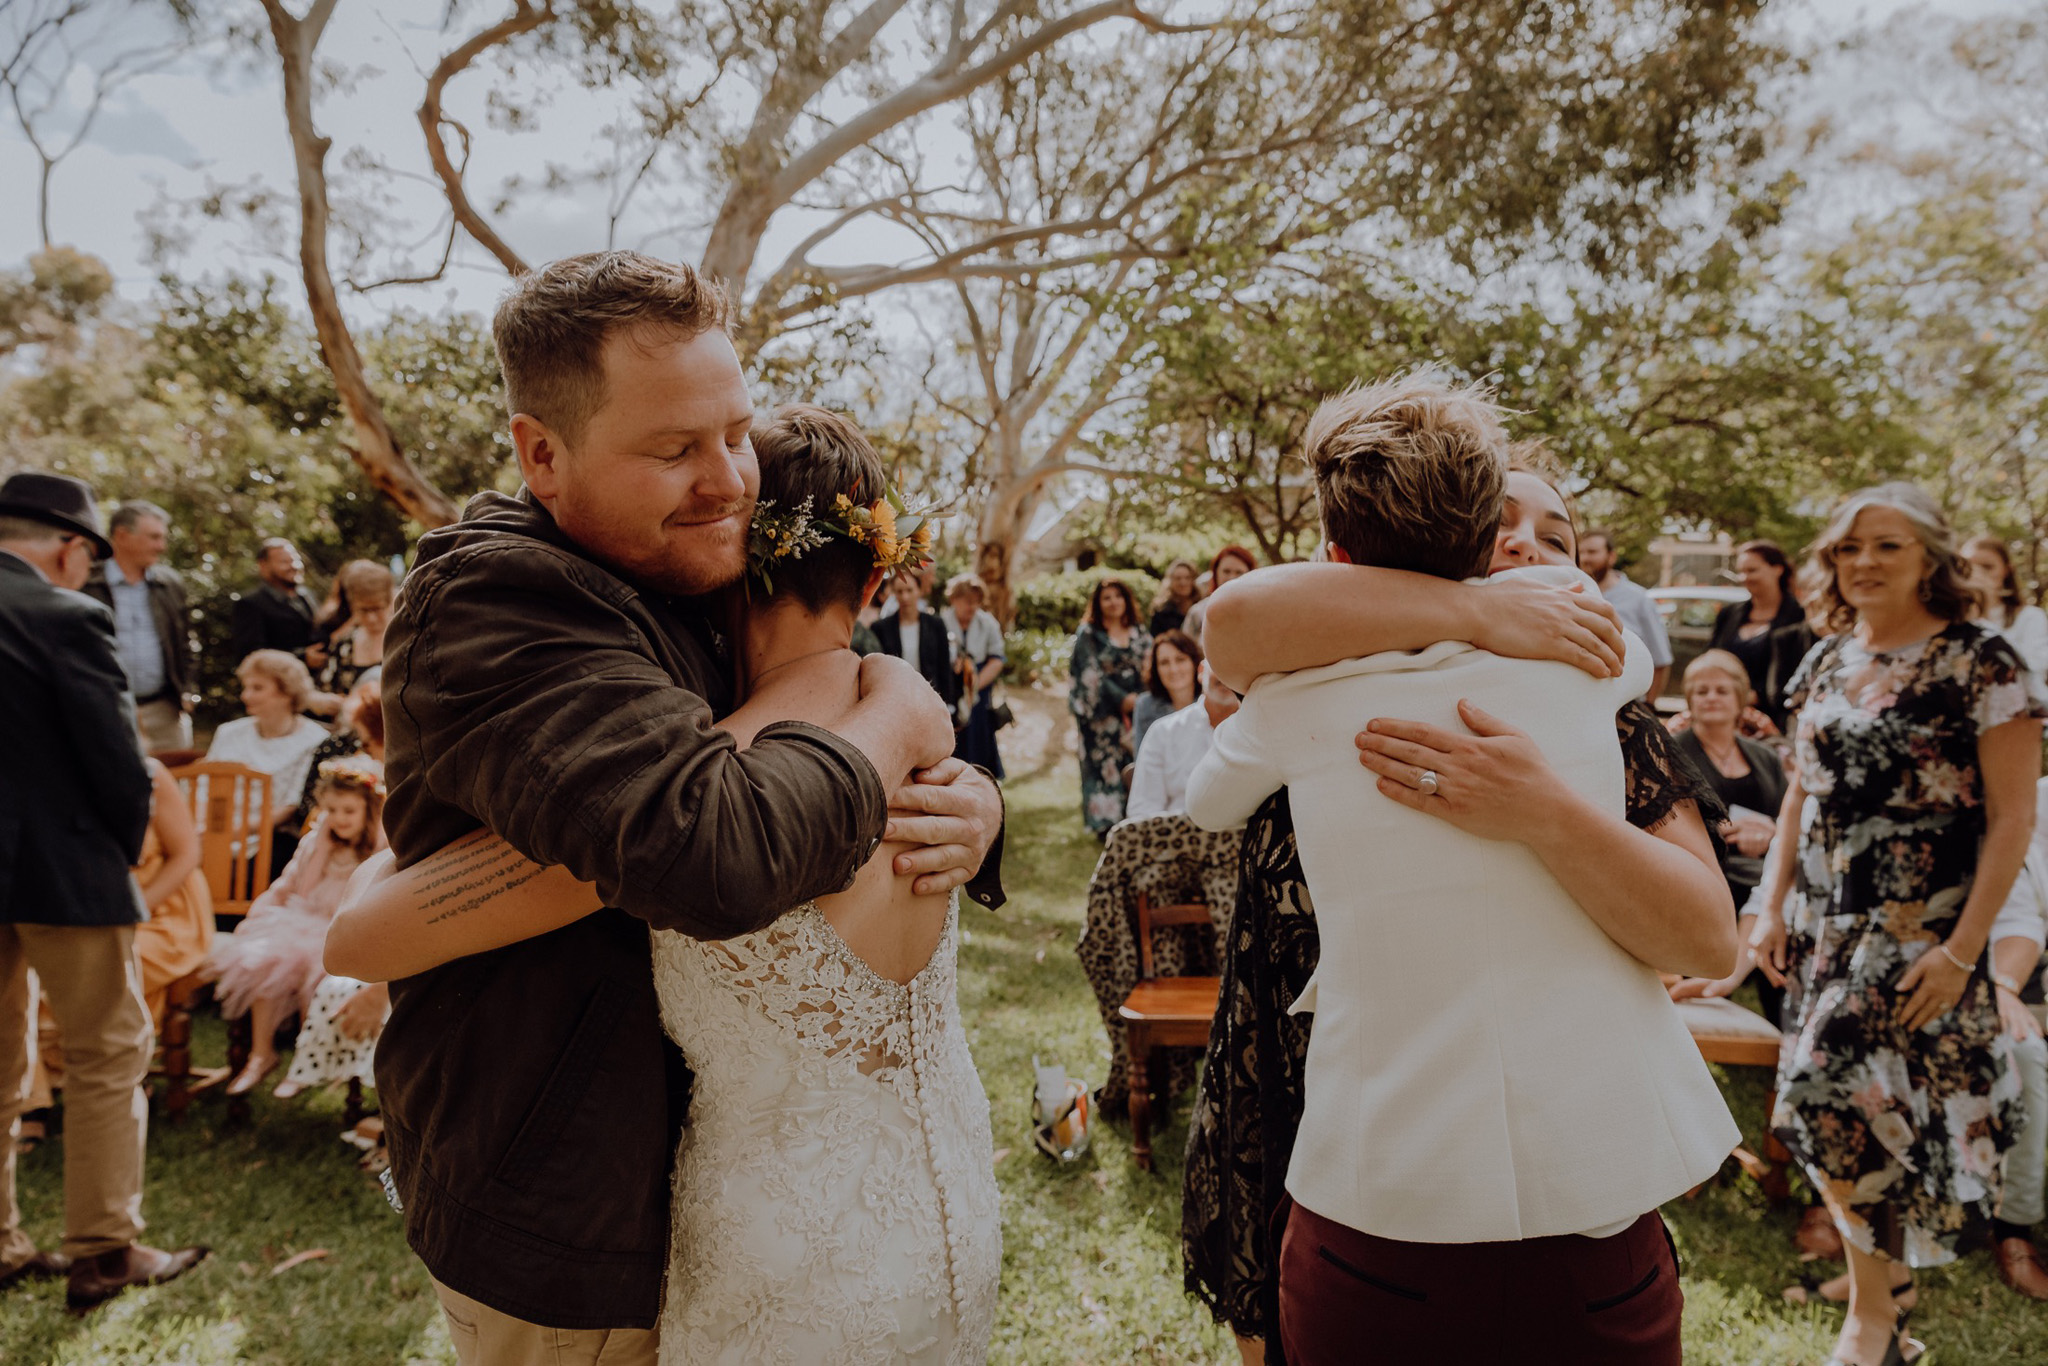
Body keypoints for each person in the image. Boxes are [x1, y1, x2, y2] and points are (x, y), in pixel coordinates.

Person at [358, 253, 1002, 1362]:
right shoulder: (502, 597)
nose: (726, 481)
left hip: (738, 1209)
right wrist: (899, 709)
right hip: (564, 1215)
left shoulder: (675, 573)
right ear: (540, 452)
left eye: (735, 435)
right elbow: (712, 848)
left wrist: (973, 799)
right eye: (673, 449)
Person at [1184, 378, 1735, 1366]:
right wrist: (1477, 617)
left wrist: (1540, 809)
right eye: (1502, 525)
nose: (1525, 551)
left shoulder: (1305, 692)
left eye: (1552, 536)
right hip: (1516, 1201)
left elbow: (1703, 937)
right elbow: (1235, 621)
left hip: (1405, 1187)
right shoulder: (1578, 654)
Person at [1750, 481, 2045, 1366]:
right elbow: (1800, 794)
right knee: (1851, 1111)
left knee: (1829, 1095)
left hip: (1925, 933)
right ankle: (1884, 1295)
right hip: (1826, 922)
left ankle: (1870, 1319)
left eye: (1886, 545)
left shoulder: (1982, 663)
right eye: (1848, 547)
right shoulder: (1825, 662)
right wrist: (1767, 904)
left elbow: (2012, 823)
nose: (1864, 562)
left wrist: (1963, 953)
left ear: (1929, 558)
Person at [0, 470, 207, 1310]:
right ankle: (105, 1253)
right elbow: (119, 764)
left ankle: (3, 1242)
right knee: (108, 1054)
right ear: (71, 547)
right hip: (67, 869)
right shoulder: (66, 614)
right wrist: (120, 852)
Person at [26, 755, 215, 1128]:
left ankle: (110, 1075)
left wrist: (135, 909)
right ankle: (35, 1102)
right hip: (91, 913)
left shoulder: (150, 775)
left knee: (97, 971)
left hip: (163, 911)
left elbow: (187, 855)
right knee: (33, 976)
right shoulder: (49, 776)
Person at [209, 761, 385, 1097]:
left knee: (314, 970)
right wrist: (257, 918)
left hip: (347, 928)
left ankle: (305, 1062)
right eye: (331, 809)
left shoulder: (378, 848)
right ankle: (262, 1053)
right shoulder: (315, 844)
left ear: (368, 808)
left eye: (349, 810)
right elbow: (285, 885)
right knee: (265, 961)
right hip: (304, 919)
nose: (340, 818)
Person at [1665, 649, 1790, 1021]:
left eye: (1721, 690)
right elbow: (1659, 816)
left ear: (1740, 699)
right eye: (1701, 691)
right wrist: (1720, 831)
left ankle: (1779, 1021)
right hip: (1705, 867)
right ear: (1690, 700)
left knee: (1782, 901)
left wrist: (1770, 834)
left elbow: (1788, 817)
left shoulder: (1764, 757)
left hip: (1764, 869)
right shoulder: (1672, 752)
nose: (1711, 698)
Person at [1982, 777, 2048, 1300]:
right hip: (2021, 986)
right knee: (2025, 1048)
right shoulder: (2030, 802)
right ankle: (2014, 1227)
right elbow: (2016, 916)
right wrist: (2006, 989)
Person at [81, 500, 197, 754]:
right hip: (104, 711)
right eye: (154, 537)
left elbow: (185, 642)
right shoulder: (85, 581)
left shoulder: (170, 583)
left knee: (175, 785)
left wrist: (187, 688)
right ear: (122, 535)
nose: (161, 546)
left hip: (164, 712)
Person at [205, 650, 329, 874]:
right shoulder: (228, 733)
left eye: (257, 688)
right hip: (213, 830)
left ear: (287, 693)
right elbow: (204, 788)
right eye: (246, 687)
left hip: (269, 838)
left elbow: (290, 806)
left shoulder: (314, 740)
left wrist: (233, 832)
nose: (245, 696)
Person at [1068, 576, 1151, 836]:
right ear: (1098, 603)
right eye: (1107, 597)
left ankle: (1133, 818)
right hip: (1100, 715)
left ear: (1126, 600)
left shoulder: (1139, 632)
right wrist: (1121, 699)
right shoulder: (1090, 634)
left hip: (1138, 710)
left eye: (1118, 596)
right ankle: (1105, 823)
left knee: (1134, 761)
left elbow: (1151, 665)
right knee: (1103, 766)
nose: (1113, 602)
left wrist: (1141, 699)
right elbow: (1090, 673)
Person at [1708, 540, 1812, 729]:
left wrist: (1754, 696)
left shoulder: (1801, 617)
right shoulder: (1728, 615)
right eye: (1741, 571)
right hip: (1722, 718)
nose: (1743, 577)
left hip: (1774, 722)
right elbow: (1710, 661)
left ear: (1777, 569)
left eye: (1752, 570)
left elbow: (1801, 673)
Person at [1128, 661, 1237, 821]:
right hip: (1176, 841)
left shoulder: (1263, 730)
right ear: (1201, 671)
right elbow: (1143, 812)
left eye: (1237, 665)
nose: (1227, 673)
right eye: (1219, 662)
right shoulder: (1163, 732)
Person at [1578, 526, 1673, 700]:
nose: (1584, 558)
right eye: (1580, 552)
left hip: (1627, 708)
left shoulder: (1639, 599)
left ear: (1611, 557)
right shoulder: (1572, 594)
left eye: (1592, 552)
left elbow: (1660, 660)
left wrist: (1649, 707)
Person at [945, 572, 1007, 777]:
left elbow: (997, 659)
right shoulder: (942, 621)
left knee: (980, 737)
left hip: (979, 689)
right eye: (967, 602)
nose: (972, 607)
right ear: (954, 599)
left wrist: (974, 684)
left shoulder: (987, 623)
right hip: (950, 689)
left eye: (977, 602)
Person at [227, 538, 323, 669]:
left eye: (296, 560)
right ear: (263, 566)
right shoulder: (250, 604)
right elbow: (251, 656)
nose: (294, 566)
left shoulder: (309, 595)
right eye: (284, 562)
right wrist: (302, 658)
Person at [874, 566, 962, 707]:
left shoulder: (935, 624)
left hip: (930, 697)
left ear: (919, 591)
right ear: (894, 594)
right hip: (895, 699)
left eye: (909, 590)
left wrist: (949, 703)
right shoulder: (881, 628)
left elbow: (944, 666)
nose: (905, 597)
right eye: (900, 591)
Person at [1965, 534, 2048, 678]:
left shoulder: (2030, 617)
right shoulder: (1952, 618)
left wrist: (1983, 613)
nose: (1976, 574)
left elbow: (2035, 671)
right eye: (1969, 566)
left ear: (2006, 570)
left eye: (1987, 567)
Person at [316, 559, 394, 700]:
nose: (371, 618)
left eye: (377, 608)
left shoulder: (404, 639)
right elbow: (326, 688)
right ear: (352, 607)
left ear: (390, 602)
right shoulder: (344, 644)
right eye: (363, 610)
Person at [1132, 629, 1202, 758]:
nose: (1173, 669)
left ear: (1194, 662)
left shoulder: (1211, 700)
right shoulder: (1145, 706)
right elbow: (1141, 763)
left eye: (1180, 659)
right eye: (1164, 663)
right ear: (1156, 669)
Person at [1181, 545, 1257, 644]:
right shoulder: (1197, 612)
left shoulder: (1258, 611)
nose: (1231, 578)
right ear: (1215, 573)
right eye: (1226, 571)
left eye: (1239, 572)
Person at [1150, 559, 1200, 636]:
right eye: (1178, 578)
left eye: (1187, 578)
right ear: (1170, 581)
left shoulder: (1202, 605)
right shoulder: (1161, 611)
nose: (1183, 583)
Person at [975, 540, 1015, 631]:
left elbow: (1010, 613)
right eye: (989, 554)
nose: (991, 559)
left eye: (995, 555)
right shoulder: (977, 582)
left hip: (999, 630)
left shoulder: (1004, 587)